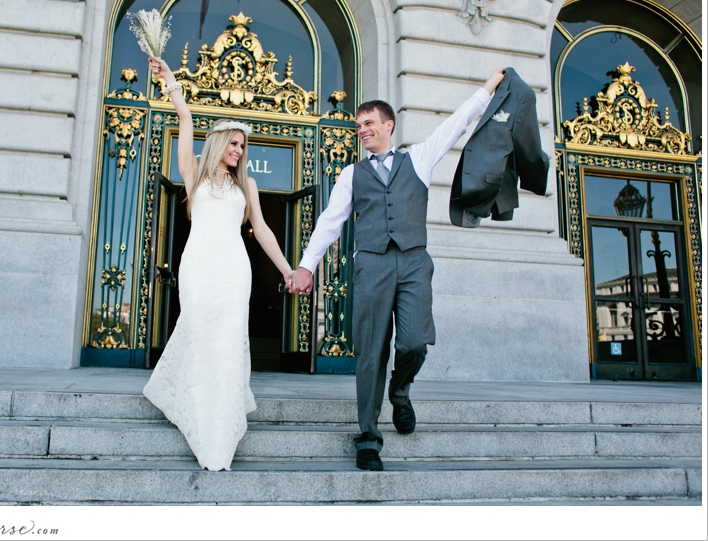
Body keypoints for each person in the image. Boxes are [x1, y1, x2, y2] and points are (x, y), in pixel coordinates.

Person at [289, 68, 506, 471]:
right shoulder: (352, 173)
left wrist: (487, 90)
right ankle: (369, 437)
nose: (362, 130)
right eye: (358, 125)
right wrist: (306, 266)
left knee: (414, 342)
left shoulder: (419, 158)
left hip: (413, 262)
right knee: (370, 353)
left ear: (389, 124)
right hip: (370, 264)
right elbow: (330, 222)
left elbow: (457, 125)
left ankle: (400, 391)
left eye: (369, 123)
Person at [143, 56, 295, 471]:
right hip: (198, 266)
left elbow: (262, 230)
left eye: (242, 145)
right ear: (219, 142)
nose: (239, 150)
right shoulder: (194, 175)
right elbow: (187, 121)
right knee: (197, 332)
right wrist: (173, 84)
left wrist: (286, 268)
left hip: (233, 271)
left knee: (227, 345)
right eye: (233, 142)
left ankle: (219, 433)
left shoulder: (248, 184)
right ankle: (195, 411)